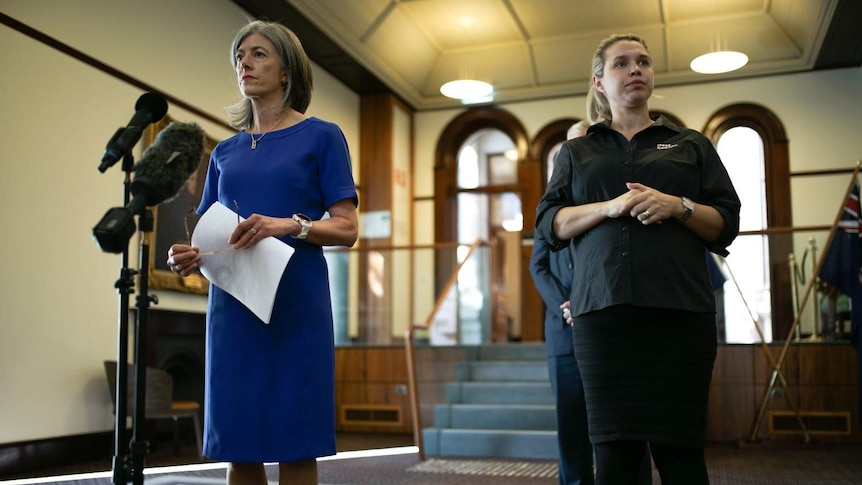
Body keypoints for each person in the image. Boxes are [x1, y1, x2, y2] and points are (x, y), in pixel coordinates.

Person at [535, 34, 740, 485]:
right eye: (621, 64)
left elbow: (727, 222)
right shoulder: (576, 152)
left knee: (681, 455)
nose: (635, 70)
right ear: (599, 83)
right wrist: (607, 207)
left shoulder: (690, 144)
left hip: (681, 316)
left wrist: (678, 206)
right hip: (603, 319)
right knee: (614, 459)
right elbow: (549, 225)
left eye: (643, 62)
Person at [167, 20, 358, 485]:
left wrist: (289, 223)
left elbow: (348, 228)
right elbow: (209, 232)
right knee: (240, 442)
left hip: (295, 301)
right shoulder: (225, 152)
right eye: (239, 56)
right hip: (233, 305)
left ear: (287, 69)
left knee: (296, 442)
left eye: (257, 54)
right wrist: (189, 257)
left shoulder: (322, 136)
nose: (244, 64)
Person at [531, 120, 651, 485]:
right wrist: (564, 305)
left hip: (609, 326)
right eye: (571, 150)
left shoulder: (612, 204)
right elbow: (538, 266)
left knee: (625, 422)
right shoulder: (550, 210)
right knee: (570, 422)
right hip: (564, 333)